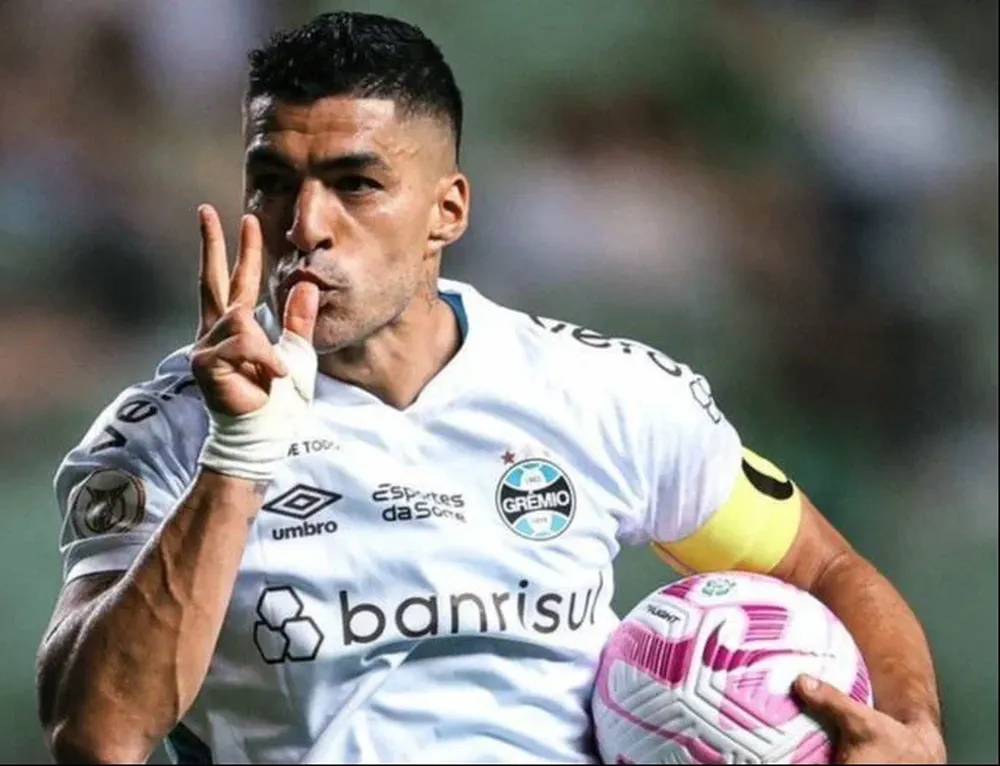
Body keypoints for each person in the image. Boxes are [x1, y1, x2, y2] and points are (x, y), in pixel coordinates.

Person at [35, 11, 946, 765]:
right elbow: (97, 736)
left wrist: (913, 730)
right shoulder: (163, 433)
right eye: (273, 183)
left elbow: (824, 569)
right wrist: (238, 455)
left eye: (357, 184)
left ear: (448, 211)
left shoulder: (603, 393)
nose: (305, 224)